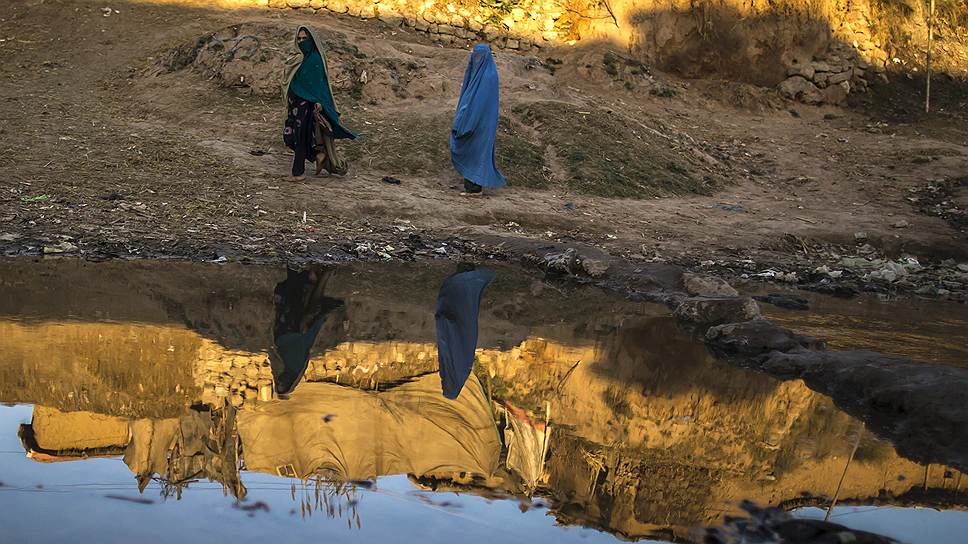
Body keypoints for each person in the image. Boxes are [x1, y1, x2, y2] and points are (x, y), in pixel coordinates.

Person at [282, 26, 357, 182]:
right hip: (293, 103)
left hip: (306, 104)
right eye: (299, 39)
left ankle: (298, 173)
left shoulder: (315, 59)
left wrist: (320, 102)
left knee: (300, 137)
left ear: (312, 40)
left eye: (305, 39)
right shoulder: (296, 57)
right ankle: (317, 155)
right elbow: (288, 80)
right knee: (289, 137)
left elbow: (320, 84)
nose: (302, 42)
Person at [450, 44, 506, 197]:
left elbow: (479, 103)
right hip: (475, 118)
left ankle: (475, 189)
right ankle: (471, 188)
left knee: (476, 151)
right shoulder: (477, 74)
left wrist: (466, 121)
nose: (476, 59)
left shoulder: (488, 77)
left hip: (482, 121)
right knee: (471, 150)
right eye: (474, 55)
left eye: (479, 56)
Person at [434, 264, 496, 399]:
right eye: (446, 386)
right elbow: (451, 343)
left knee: (466, 302)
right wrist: (445, 324)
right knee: (460, 301)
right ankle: (466, 274)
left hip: (464, 327)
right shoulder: (456, 369)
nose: (443, 382)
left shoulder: (458, 371)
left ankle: (466, 272)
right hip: (456, 326)